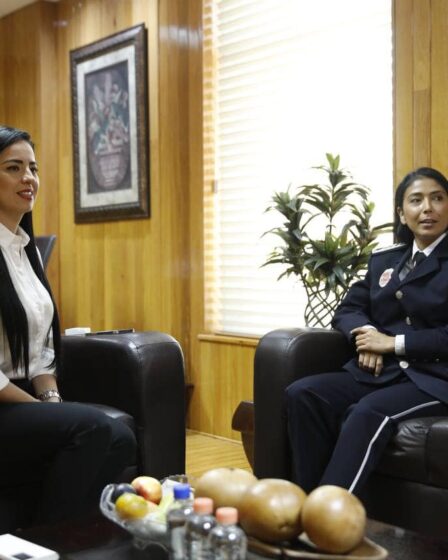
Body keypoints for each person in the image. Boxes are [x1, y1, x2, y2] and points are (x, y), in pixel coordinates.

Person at [0, 125, 137, 531]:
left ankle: (43, 536)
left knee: (115, 435)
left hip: (21, 396)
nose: (29, 178)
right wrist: (40, 411)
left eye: (33, 168)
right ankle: (50, 541)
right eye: (13, 167)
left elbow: (41, 348)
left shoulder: (27, 250)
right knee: (101, 431)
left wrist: (53, 400)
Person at [285, 166, 448, 496]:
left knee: (368, 412)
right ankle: (305, 504)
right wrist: (367, 337)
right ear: (402, 214)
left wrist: (392, 344)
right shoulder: (385, 260)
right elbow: (348, 310)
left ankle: (329, 519)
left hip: (435, 378)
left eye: (438, 198)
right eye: (416, 201)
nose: (427, 208)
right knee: (304, 394)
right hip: (383, 372)